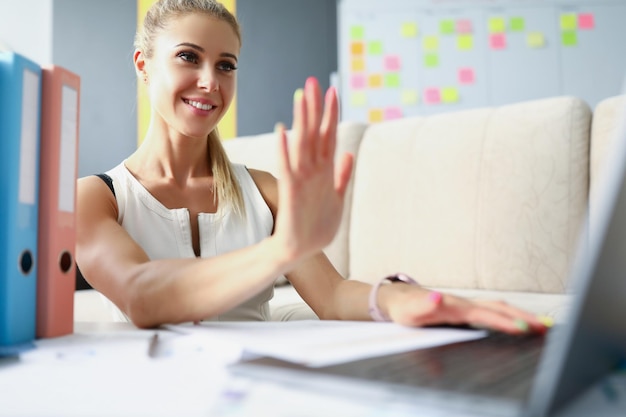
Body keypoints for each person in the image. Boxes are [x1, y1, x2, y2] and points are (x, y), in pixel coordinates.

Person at [76, 0, 548, 334]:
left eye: (226, 65)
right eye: (188, 57)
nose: (209, 81)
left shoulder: (265, 191)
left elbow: (334, 295)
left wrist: (410, 301)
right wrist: (281, 250)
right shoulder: (95, 197)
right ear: (143, 64)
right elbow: (141, 296)